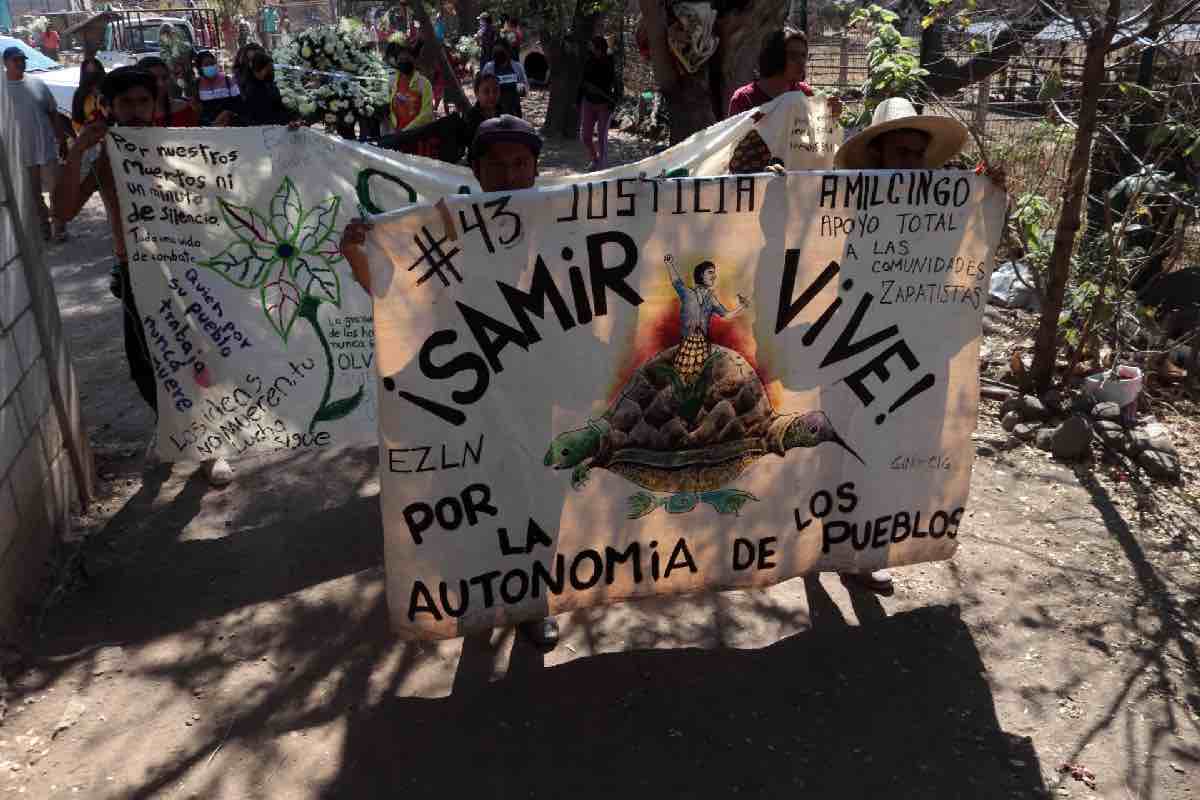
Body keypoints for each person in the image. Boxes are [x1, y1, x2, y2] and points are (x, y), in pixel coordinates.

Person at [338, 116, 560, 648]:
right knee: (475, 497)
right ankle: (477, 600)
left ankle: (534, 602)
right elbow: (398, 300)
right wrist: (355, 254)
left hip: (539, 390)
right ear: (477, 172)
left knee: (540, 496)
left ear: (535, 170)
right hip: (469, 395)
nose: (509, 175)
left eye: (520, 164)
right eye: (497, 165)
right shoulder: (447, 227)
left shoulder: (561, 223)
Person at [55, 67, 235, 488]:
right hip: (136, 274)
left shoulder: (184, 149)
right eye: (125, 103)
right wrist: (77, 150)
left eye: (142, 101)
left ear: (156, 106)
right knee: (146, 366)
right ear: (109, 108)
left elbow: (244, 175)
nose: (134, 110)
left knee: (199, 357)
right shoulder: (105, 160)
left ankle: (210, 444)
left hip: (189, 273)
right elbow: (61, 212)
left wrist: (292, 139)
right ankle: (175, 425)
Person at [4, 45, 66, 242]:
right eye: (15, 60)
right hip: (20, 151)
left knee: (57, 190)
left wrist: (62, 140)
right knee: (33, 194)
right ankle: (43, 226)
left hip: (46, 148)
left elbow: (53, 113)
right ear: (5, 63)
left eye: (22, 59)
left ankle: (60, 227)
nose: (20, 63)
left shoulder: (38, 83)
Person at [728, 28, 839, 119]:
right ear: (775, 57)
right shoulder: (744, 99)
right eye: (793, 56)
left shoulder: (805, 94)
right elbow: (735, 142)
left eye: (804, 55)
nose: (801, 62)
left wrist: (830, 113)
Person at [578, 35, 616, 171]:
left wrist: (613, 102)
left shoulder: (610, 61)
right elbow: (582, 81)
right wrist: (578, 100)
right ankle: (595, 160)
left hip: (604, 105)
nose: (590, 48)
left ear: (599, 47)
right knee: (586, 137)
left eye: (592, 45)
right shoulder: (588, 60)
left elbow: (616, 83)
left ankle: (602, 166)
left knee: (601, 137)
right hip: (588, 102)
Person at [235, 51, 301, 126]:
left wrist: (292, 118)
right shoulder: (250, 89)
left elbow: (278, 106)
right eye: (268, 69)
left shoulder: (268, 83)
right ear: (258, 69)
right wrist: (286, 120)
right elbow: (262, 115)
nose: (271, 71)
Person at [385, 38, 434, 131]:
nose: (404, 62)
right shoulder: (392, 83)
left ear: (414, 60)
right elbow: (391, 110)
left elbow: (427, 114)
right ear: (396, 62)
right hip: (397, 136)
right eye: (401, 59)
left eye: (407, 59)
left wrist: (406, 131)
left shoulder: (424, 83)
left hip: (417, 136)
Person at [137, 56, 199, 127]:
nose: (161, 84)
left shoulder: (184, 108)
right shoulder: (130, 114)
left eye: (164, 78)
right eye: (153, 78)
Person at [193, 49, 240, 126]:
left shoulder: (228, 80)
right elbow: (197, 109)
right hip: (208, 128)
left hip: (230, 125)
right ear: (200, 68)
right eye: (206, 65)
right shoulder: (197, 84)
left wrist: (228, 113)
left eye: (212, 63)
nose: (210, 66)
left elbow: (238, 103)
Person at [481, 42, 527, 118]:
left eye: (503, 62)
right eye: (498, 62)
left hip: (514, 108)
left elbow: (524, 84)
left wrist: (522, 88)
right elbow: (482, 86)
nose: (501, 65)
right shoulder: (489, 67)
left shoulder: (517, 66)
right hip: (495, 108)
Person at [71, 57, 106, 133]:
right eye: (89, 72)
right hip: (91, 135)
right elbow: (77, 122)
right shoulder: (80, 94)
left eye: (96, 72)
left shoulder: (108, 89)